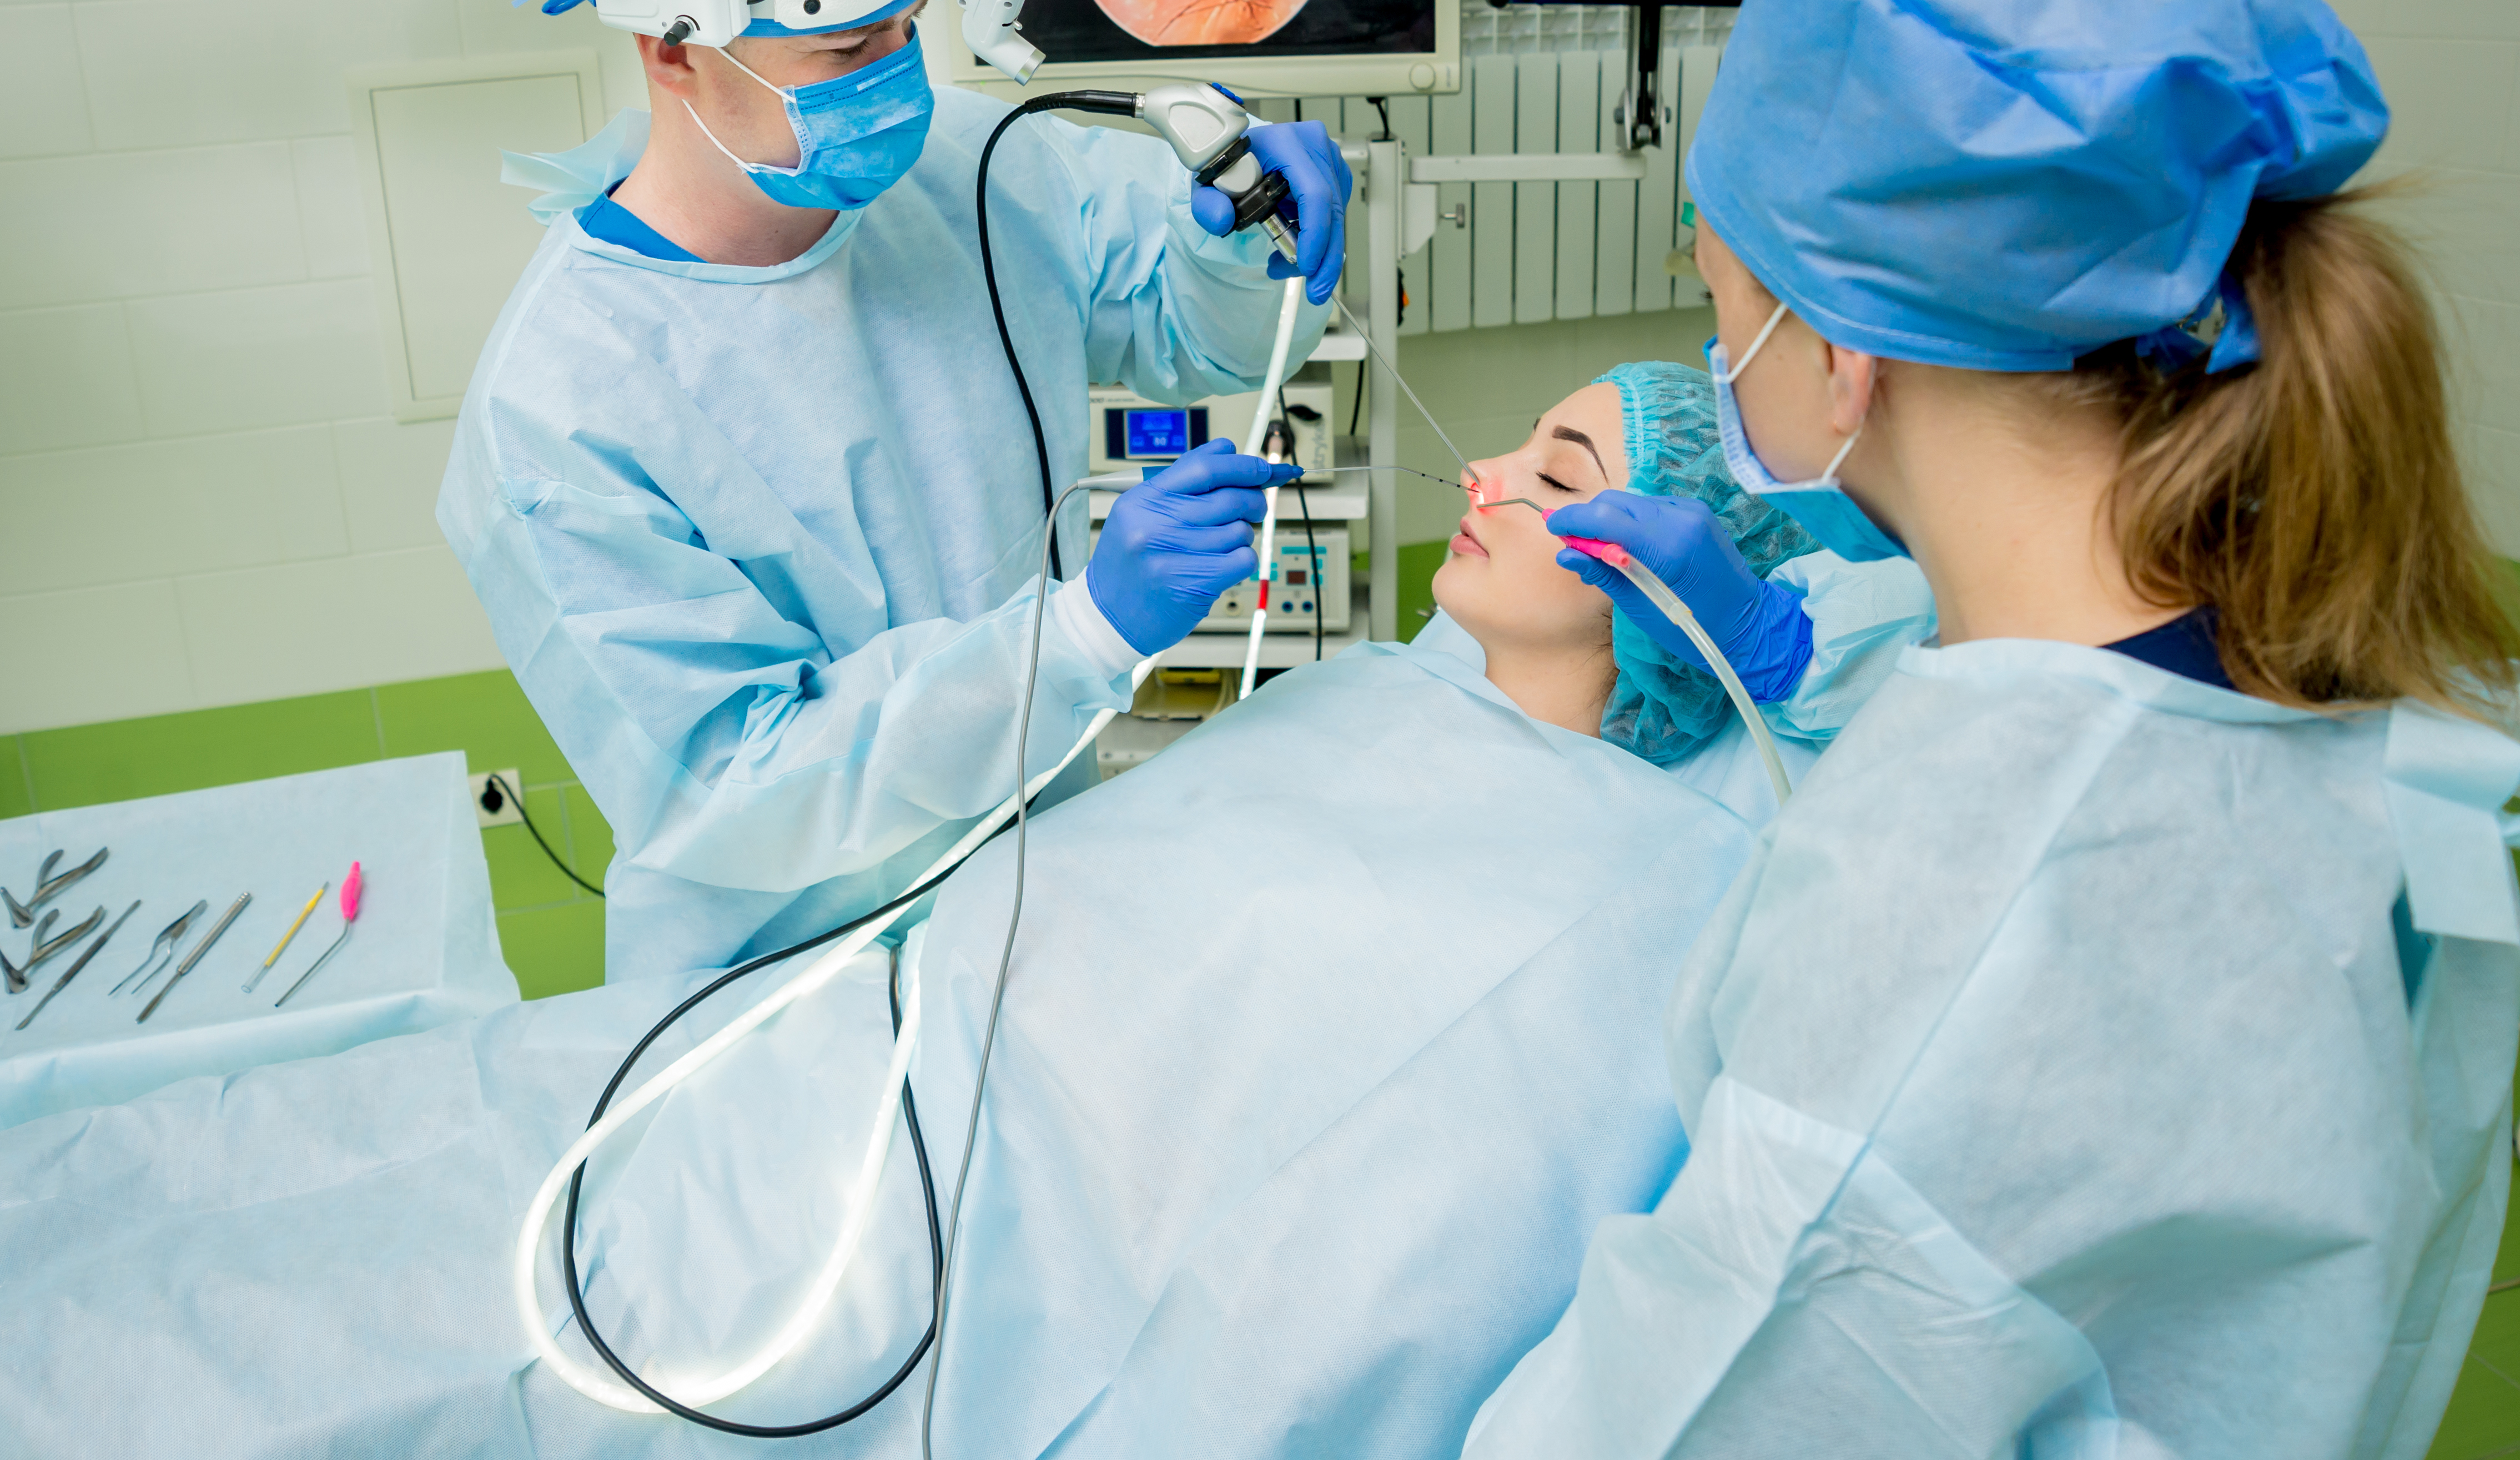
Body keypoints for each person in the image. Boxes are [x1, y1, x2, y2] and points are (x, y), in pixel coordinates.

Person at [0, 364, 1933, 1460]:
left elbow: (1349, 1285)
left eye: (1569, 468)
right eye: (1522, 436)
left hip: (887, 1267)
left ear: (1676, 588)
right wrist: (1090, 629)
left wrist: (1774, 648)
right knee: (286, 1147)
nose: (1491, 471)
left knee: (248, 1359)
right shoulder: (1390, 688)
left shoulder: (1637, 897)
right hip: (772, 1078)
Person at [1475, 0, 2520, 1459]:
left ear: (1836, 356)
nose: (1708, 348)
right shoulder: (2320, 662)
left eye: (1715, 298)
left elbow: (1682, 1415)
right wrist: (1769, 642)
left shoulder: (1938, 968)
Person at [440, 0, 1350, 980]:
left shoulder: (964, 163)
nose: (895, 83)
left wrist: (1224, 238)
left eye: (902, 32)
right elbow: (739, 787)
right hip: (790, 979)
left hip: (1038, 892)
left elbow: (1183, 337)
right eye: (843, 53)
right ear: (673, 49)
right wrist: (1075, 637)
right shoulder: (560, 409)